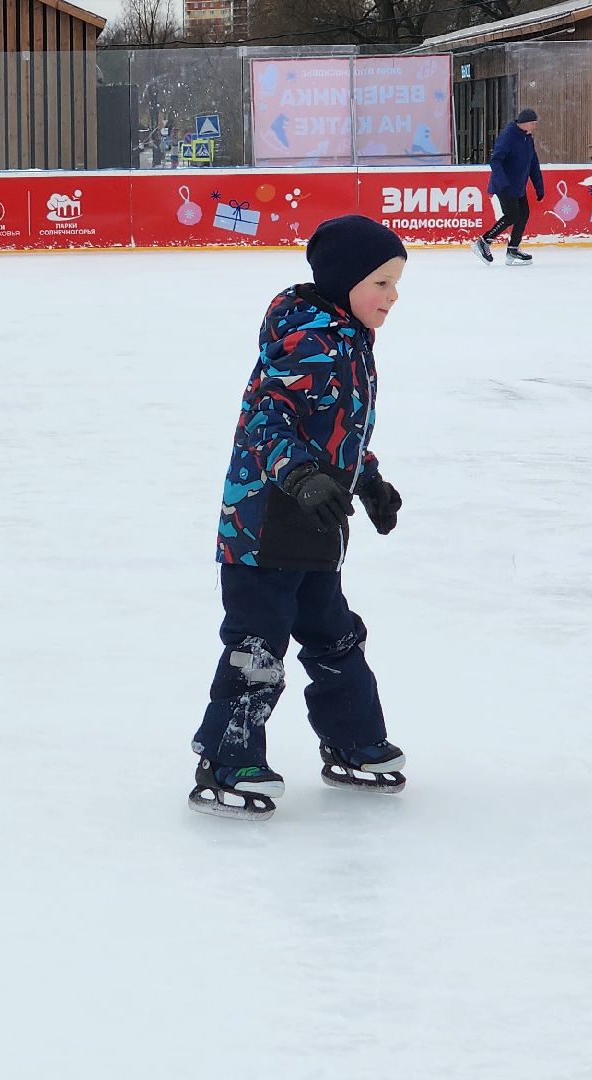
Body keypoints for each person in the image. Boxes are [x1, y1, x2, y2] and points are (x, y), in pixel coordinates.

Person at [189, 215, 410, 821]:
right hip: (261, 529)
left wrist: (369, 482)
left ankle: (351, 743)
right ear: (345, 283)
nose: (393, 298)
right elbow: (265, 421)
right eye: (382, 283)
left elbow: (339, 432)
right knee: (258, 645)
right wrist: (299, 475)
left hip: (314, 528)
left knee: (335, 635)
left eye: (395, 284)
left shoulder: (350, 342)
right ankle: (226, 760)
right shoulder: (307, 341)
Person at [473, 107, 545, 266]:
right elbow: (495, 160)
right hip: (504, 185)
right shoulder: (508, 136)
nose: (535, 126)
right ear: (525, 123)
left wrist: (539, 186)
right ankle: (484, 241)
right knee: (512, 215)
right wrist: (502, 182)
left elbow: (533, 163)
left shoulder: (527, 138)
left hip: (518, 185)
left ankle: (513, 248)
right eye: (533, 123)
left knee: (524, 213)